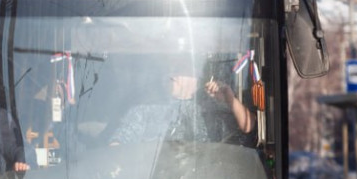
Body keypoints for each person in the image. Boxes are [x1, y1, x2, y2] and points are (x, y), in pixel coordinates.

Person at [109, 57, 256, 147]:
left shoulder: (213, 105)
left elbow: (248, 126)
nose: (171, 75)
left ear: (197, 74)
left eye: (178, 68)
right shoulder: (144, 110)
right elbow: (119, 144)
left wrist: (230, 98)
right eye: (168, 69)